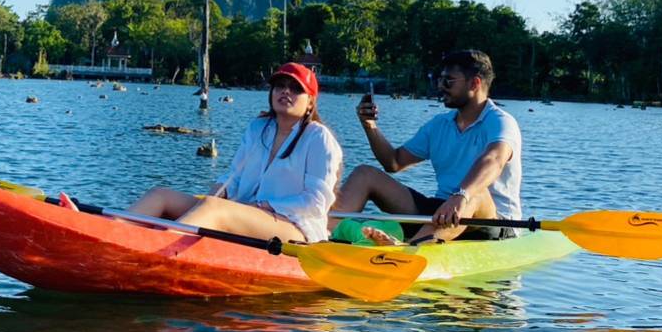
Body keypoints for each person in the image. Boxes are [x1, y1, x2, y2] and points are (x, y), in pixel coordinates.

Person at [127, 62, 341, 243]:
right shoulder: (258, 128)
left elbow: (316, 203)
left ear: (310, 101)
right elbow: (234, 178)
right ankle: (112, 236)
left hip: (295, 227)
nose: (285, 91)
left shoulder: (319, 138)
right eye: (280, 86)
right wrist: (219, 191)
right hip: (244, 212)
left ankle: (154, 249)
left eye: (295, 88)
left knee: (215, 208)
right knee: (161, 195)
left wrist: (263, 206)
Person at [333, 49, 522, 245]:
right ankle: (322, 236)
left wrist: (462, 195)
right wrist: (369, 126)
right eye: (439, 80)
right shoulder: (439, 125)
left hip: (491, 219)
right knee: (365, 174)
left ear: (474, 83)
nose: (441, 86)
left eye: (449, 81)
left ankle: (409, 251)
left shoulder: (501, 122)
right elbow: (394, 162)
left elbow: (494, 159)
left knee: (476, 193)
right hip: (443, 211)